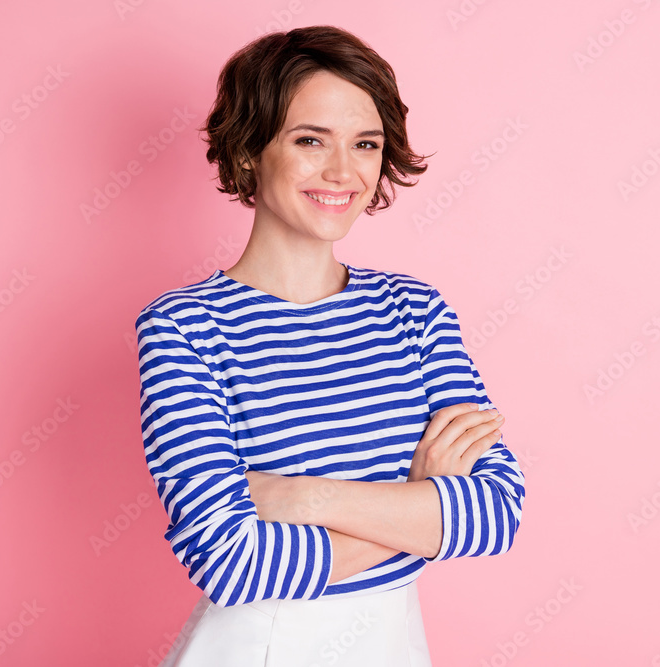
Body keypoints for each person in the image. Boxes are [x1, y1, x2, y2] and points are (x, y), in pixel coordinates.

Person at [134, 25, 526, 666]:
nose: (343, 170)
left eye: (364, 143)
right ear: (248, 154)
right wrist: (420, 505)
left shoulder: (414, 310)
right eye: (310, 140)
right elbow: (230, 564)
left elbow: (496, 511)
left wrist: (299, 497)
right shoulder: (184, 327)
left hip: (395, 646)